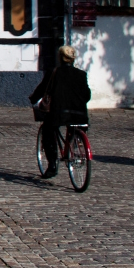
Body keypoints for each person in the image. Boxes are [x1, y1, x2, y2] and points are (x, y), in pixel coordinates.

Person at [29, 45, 91, 178]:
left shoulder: (54, 72)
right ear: (73, 59)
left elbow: (43, 89)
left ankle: (52, 165)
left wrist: (33, 98)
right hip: (80, 114)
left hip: (59, 113)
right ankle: (75, 147)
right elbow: (87, 96)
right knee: (75, 126)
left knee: (48, 130)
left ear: (60, 58)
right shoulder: (81, 74)